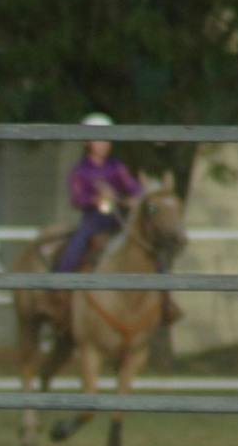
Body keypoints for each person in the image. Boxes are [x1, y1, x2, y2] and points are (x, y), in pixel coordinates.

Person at [55, 114, 181, 325]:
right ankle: (59, 287)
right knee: (77, 242)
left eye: (106, 138)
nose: (103, 143)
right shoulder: (81, 170)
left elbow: (134, 189)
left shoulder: (116, 167)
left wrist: (133, 198)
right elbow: (77, 198)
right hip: (94, 219)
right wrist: (96, 198)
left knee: (150, 249)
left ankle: (166, 299)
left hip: (119, 219)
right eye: (98, 138)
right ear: (87, 142)